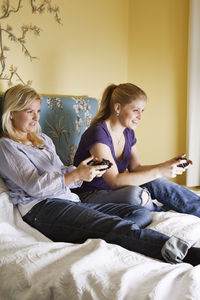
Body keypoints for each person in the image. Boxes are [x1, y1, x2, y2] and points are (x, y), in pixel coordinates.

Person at [0, 84, 200, 267]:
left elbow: (63, 174)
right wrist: (76, 174)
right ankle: (183, 253)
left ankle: (103, 233)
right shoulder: (6, 146)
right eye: (29, 112)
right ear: (11, 114)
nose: (36, 118)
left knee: (141, 213)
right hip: (42, 208)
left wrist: (82, 171)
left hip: (70, 200)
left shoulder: (43, 140)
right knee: (116, 225)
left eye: (38, 112)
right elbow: (35, 187)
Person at [73, 83, 200, 217]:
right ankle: (164, 213)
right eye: (135, 110)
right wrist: (159, 171)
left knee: (157, 182)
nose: (140, 117)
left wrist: (165, 166)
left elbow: (136, 168)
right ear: (117, 108)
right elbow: (115, 181)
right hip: (90, 195)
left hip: (114, 191)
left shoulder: (128, 132)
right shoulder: (98, 133)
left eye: (142, 111)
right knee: (135, 195)